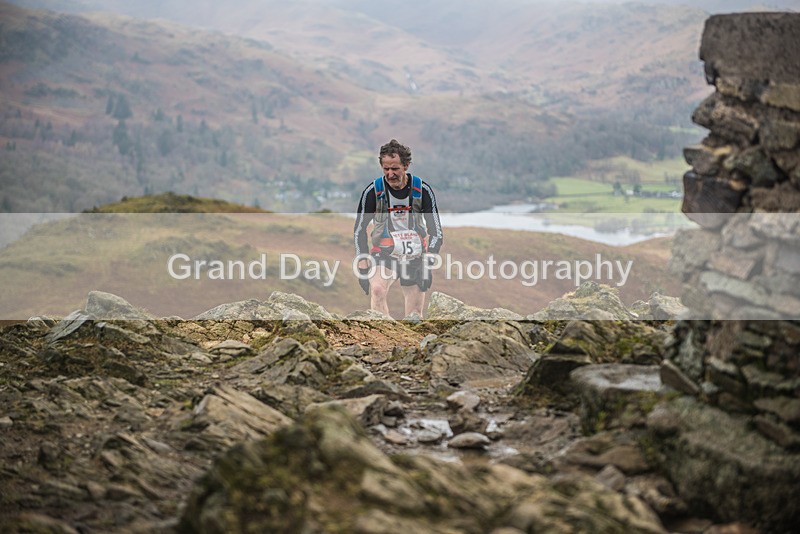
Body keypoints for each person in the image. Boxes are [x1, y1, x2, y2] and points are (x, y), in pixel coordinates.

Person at [354, 139, 443, 317]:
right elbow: (359, 230)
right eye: (386, 169)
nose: (390, 173)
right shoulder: (372, 191)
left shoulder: (422, 190)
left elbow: (436, 232)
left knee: (414, 316)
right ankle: (382, 338)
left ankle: (410, 343)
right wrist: (363, 264)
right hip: (384, 254)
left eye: (395, 168)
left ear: (406, 165)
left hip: (415, 256)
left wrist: (429, 261)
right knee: (378, 290)